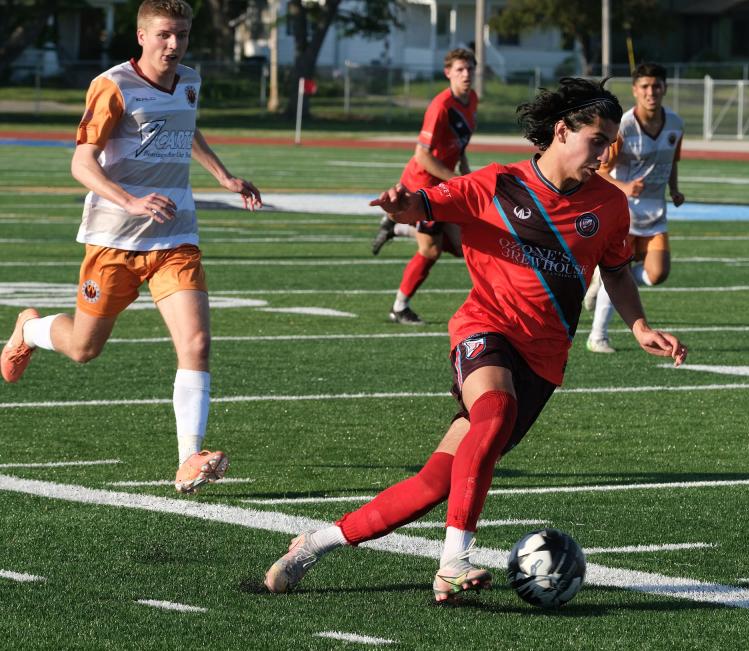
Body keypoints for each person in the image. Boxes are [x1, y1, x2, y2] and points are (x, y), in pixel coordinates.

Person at [263, 77, 688, 601]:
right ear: (561, 131)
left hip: (545, 359)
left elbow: (618, 271)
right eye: (598, 141)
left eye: (610, 144)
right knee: (495, 411)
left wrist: (640, 326)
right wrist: (400, 206)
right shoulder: (496, 184)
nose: (605, 155)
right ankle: (452, 563)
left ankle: (316, 542)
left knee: (434, 485)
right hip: (484, 329)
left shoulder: (609, 205)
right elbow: (424, 203)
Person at [0, 0, 262, 494]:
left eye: (182, 35)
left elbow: (185, 128)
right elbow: (81, 163)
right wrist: (130, 200)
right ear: (141, 36)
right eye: (164, 34)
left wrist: (224, 176)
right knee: (83, 348)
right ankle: (30, 329)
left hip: (176, 237)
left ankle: (189, 458)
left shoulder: (189, 79)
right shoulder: (112, 85)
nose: (174, 44)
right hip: (114, 241)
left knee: (198, 345)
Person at [370, 48, 478, 325]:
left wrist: (465, 171)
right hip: (424, 185)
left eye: (470, 69)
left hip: (444, 182)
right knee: (432, 250)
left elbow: (459, 143)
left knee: (463, 244)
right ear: (448, 73)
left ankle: (397, 225)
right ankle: (399, 307)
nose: (466, 74)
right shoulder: (441, 106)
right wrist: (456, 180)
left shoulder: (471, 99)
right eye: (460, 70)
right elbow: (422, 155)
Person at [584, 62, 684, 354]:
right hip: (624, 213)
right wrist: (625, 188)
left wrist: (674, 189)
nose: (651, 92)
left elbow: (672, 160)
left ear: (664, 88)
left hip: (656, 213)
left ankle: (601, 279)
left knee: (658, 273)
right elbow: (599, 170)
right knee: (620, 273)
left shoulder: (676, 123)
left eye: (656, 86)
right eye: (644, 87)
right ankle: (598, 336)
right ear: (635, 90)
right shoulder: (623, 126)